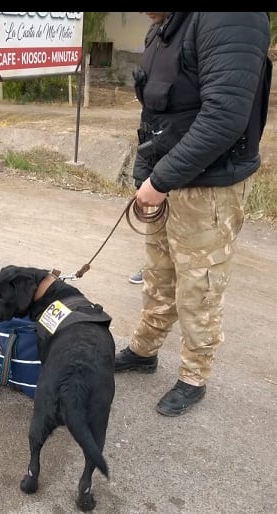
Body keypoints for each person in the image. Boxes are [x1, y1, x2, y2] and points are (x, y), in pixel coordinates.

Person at [115, 12, 271, 416]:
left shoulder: (231, 17)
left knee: (199, 287)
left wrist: (160, 179)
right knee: (158, 273)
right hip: (166, 180)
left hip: (211, 187)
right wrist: (144, 173)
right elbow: (154, 111)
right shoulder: (163, 25)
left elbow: (224, 118)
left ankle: (193, 376)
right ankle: (145, 350)